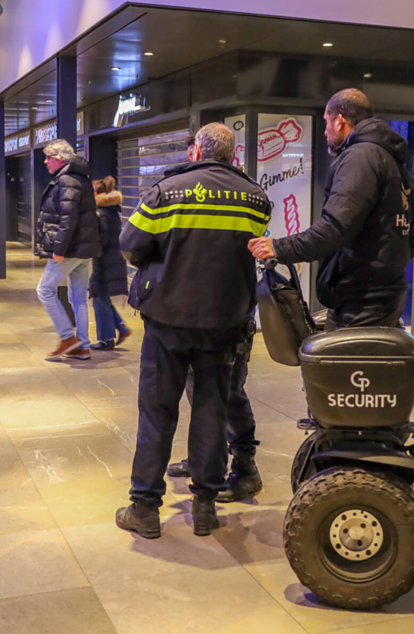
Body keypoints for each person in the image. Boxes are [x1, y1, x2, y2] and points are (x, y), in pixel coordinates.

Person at [115, 122, 271, 539]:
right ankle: (205, 507)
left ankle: (145, 507)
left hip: (168, 318)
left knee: (157, 412)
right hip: (226, 320)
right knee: (211, 410)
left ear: (196, 152)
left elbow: (130, 243)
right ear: (233, 156)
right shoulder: (256, 199)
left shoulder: (168, 192)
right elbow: (252, 246)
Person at [248, 88, 414, 329]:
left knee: (346, 366)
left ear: (340, 121)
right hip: (384, 293)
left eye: (326, 122)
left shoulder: (360, 157)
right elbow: (411, 238)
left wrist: (278, 247)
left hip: (362, 299)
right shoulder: (392, 160)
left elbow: (334, 228)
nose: (325, 130)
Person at [165, 132, 262, 503]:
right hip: (210, 310)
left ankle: (246, 469)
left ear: (197, 152)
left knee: (230, 393)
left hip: (227, 313)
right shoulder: (247, 194)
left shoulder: (242, 194)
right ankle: (207, 457)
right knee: (202, 392)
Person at [35, 138, 101, 361]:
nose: (45, 162)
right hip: (84, 250)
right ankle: (82, 346)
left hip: (71, 250)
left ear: (60, 159)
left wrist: (59, 249)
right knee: (79, 300)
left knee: (44, 290)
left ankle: (67, 337)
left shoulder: (66, 180)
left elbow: (68, 218)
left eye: (49, 158)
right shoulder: (81, 178)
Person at [90, 176, 131, 350]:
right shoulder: (110, 211)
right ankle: (121, 328)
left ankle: (106, 339)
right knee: (102, 297)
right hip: (111, 260)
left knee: (99, 298)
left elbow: (101, 240)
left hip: (105, 262)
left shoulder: (101, 213)